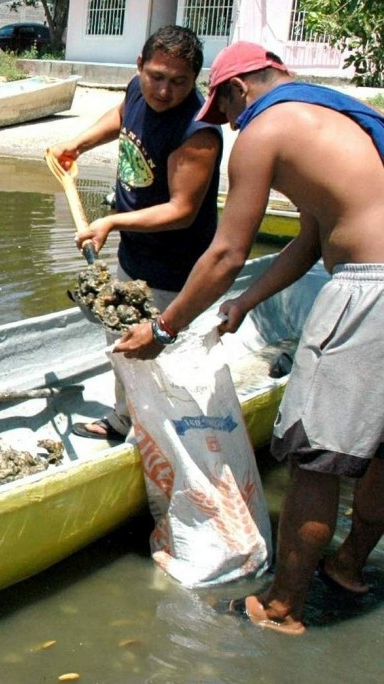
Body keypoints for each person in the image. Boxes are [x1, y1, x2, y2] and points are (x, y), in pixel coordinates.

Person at [114, 40, 384, 635]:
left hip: (371, 289)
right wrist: (245, 302)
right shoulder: (337, 117)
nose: (231, 125)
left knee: (315, 458)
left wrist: (164, 326)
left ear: (238, 90)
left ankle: (283, 607)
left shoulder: (265, 129)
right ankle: (346, 567)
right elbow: (312, 240)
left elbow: (229, 250)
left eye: (227, 112)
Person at [50, 25, 223, 441]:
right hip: (135, 252)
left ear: (195, 79)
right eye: (156, 76)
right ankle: (126, 418)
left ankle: (155, 433)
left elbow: (182, 211)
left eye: (178, 82)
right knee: (123, 338)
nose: (164, 91)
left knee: (151, 349)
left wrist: (111, 221)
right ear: (140, 66)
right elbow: (124, 115)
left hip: (175, 267)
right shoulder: (137, 91)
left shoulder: (197, 132)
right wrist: (79, 144)